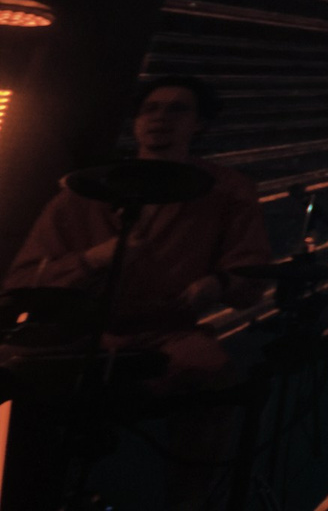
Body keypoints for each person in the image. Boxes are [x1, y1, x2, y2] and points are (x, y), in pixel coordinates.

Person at [3, 74, 269, 509]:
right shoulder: (82, 191)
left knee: (214, 372)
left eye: (177, 109)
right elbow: (22, 283)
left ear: (200, 124)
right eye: (151, 109)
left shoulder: (227, 191)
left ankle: (188, 503)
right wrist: (94, 260)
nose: (161, 118)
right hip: (77, 332)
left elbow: (250, 273)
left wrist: (217, 283)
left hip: (165, 332)